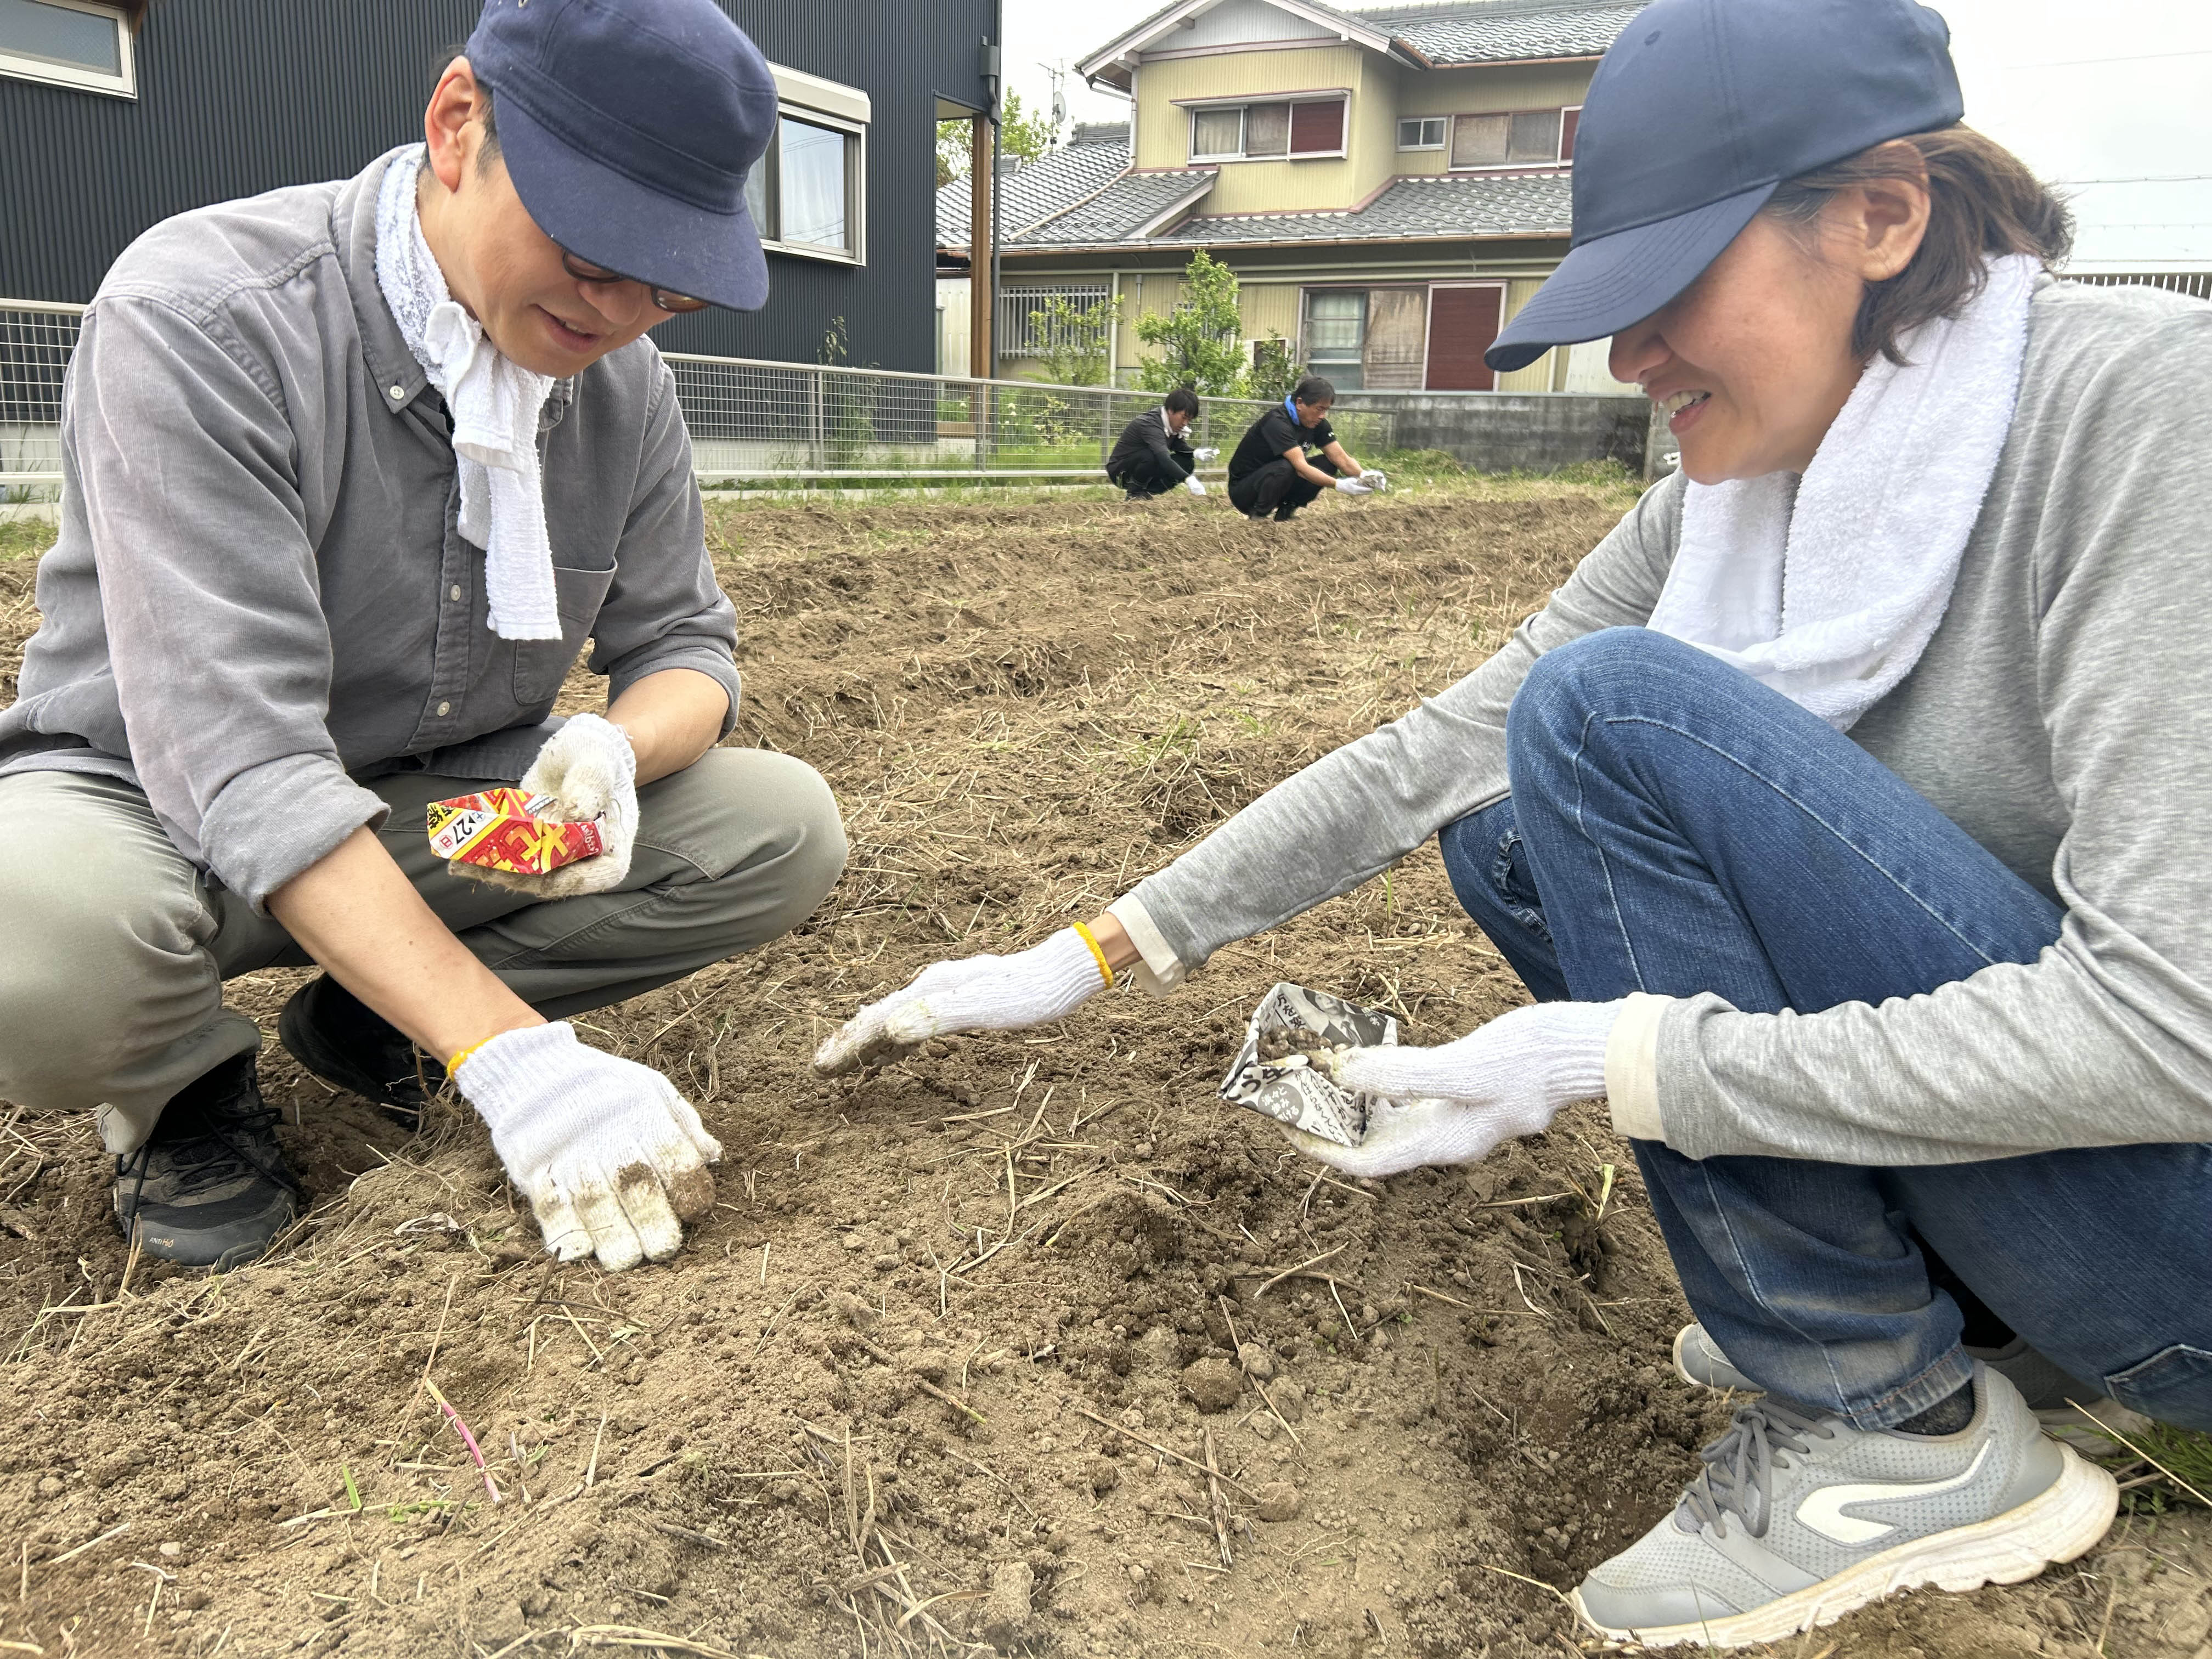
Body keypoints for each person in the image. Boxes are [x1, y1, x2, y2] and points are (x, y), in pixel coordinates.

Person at [815, 0, 2212, 1644]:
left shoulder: (2140, 424)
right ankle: (1959, 1322)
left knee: (1610, 715)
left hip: (2174, 1246)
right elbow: (1431, 754)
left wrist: (1613, 1063)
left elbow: (2166, 1031)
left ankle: (1881, 1420)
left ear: (1883, 218)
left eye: (1674, 288)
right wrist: (1091, 952)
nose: (1630, 359)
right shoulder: (1733, 498)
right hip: (2051, 1218)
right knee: (1518, 827)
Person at [0, 0, 848, 1277]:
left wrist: (617, 750)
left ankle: (368, 1023)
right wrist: (517, 1059)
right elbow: (242, 762)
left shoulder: (621, 390)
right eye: (595, 249)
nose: (619, 310)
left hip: (439, 824)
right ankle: (182, 1094)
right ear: (460, 125)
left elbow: (685, 643)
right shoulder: (209, 316)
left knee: (774, 830)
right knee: (38, 939)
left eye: (667, 283)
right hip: (168, 824)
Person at [1225, 375, 1385, 521]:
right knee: (1287, 466)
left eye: (1326, 410)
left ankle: (1286, 512)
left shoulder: (1318, 424)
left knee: (1328, 463)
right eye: (1319, 409)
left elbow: (1341, 458)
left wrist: (1365, 475)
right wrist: (1339, 485)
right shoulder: (1277, 422)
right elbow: (1301, 469)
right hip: (1245, 490)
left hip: (1280, 482)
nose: (1323, 415)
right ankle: (1259, 515)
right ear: (1300, 403)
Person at [1105, 386, 1216, 499]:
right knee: (1153, 454)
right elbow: (1163, 457)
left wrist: (1196, 453)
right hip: (1120, 472)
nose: (1185, 423)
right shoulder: (1151, 424)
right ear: (1171, 410)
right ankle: (1134, 494)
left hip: (1143, 466)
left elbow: (1178, 446)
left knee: (1186, 463)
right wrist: (1189, 480)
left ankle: (1146, 494)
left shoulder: (1171, 426)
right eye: (1184, 418)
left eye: (1189, 420)